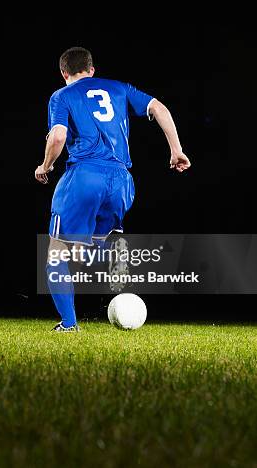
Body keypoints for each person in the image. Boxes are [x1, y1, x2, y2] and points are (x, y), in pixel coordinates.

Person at [35, 47, 191, 331]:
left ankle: (69, 325)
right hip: (122, 181)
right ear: (92, 69)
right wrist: (176, 151)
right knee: (86, 250)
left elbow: (58, 136)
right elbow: (159, 108)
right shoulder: (119, 88)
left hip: (84, 176)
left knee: (57, 253)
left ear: (63, 73)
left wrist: (45, 166)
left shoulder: (62, 95)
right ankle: (114, 256)